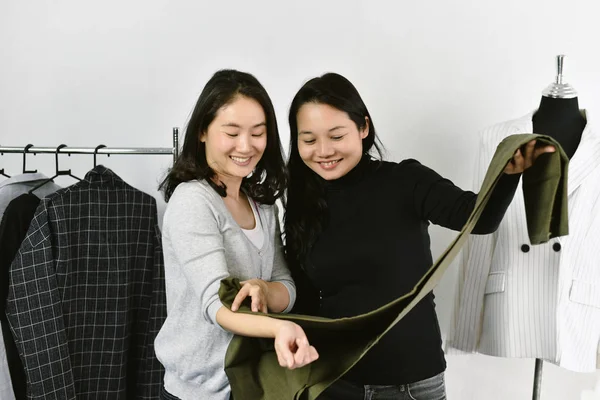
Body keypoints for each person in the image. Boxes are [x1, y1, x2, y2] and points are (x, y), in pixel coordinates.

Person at [283, 72, 555, 400]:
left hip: (410, 384)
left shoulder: (405, 181)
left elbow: (477, 218)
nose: (323, 150)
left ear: (363, 128)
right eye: (309, 140)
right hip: (332, 381)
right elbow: (301, 295)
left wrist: (508, 174)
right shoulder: (300, 203)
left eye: (336, 135)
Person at [154, 69, 318, 400]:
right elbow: (218, 307)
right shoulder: (193, 201)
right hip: (198, 393)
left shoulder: (261, 205)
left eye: (258, 133)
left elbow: (286, 287)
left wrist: (263, 289)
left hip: (252, 385)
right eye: (232, 132)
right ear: (202, 131)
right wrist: (280, 327)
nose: (246, 146)